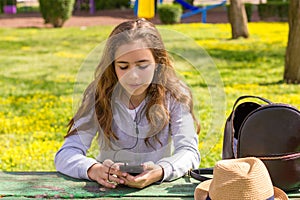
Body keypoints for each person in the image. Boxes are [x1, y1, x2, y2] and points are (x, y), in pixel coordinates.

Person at [55, 18, 200, 189]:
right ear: (112, 66)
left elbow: (189, 152)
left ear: (157, 63)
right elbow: (66, 153)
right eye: (123, 66)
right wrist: (93, 169)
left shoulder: (174, 96)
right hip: (106, 191)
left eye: (142, 65)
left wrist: (160, 171)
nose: (133, 76)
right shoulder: (99, 95)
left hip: (156, 191)